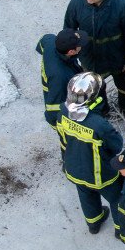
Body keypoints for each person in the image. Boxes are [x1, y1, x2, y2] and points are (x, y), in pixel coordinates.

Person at [64, 0, 125, 116]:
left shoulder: (121, 4)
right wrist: (71, 57)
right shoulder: (77, 3)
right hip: (90, 60)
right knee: (96, 92)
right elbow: (69, 31)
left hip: (117, 58)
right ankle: (102, 112)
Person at [57, 72, 123, 236]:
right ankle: (121, 231)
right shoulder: (99, 125)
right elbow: (116, 146)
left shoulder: (62, 113)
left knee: (86, 196)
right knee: (117, 199)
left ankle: (94, 224)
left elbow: (63, 141)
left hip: (74, 169)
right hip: (101, 176)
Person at [36, 28, 88, 160]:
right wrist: (58, 125)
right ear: (71, 52)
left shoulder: (51, 42)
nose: (81, 47)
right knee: (68, 141)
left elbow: (42, 42)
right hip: (58, 99)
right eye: (79, 46)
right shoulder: (60, 76)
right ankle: (69, 162)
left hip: (56, 82)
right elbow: (53, 107)